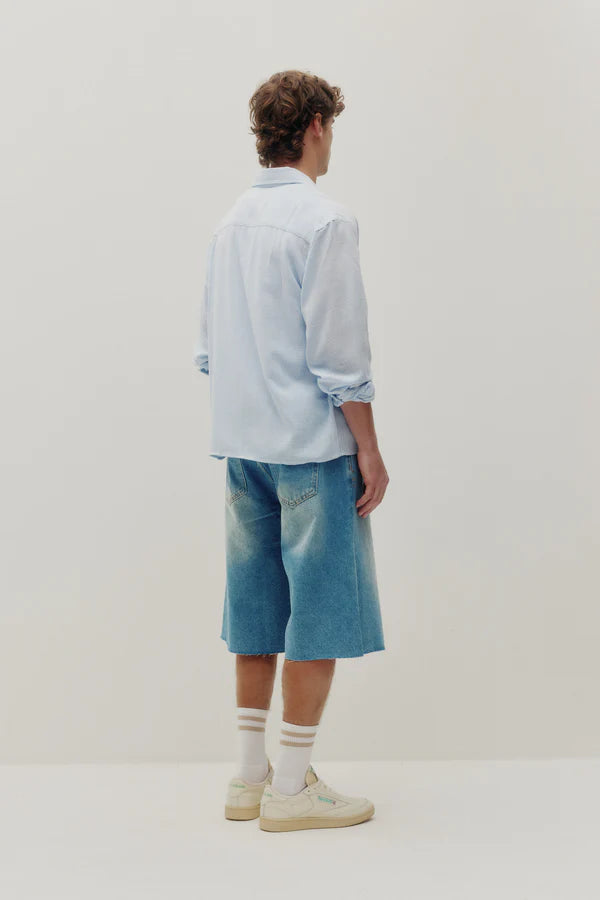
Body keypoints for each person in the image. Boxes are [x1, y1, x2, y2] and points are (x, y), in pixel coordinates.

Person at [193, 69, 389, 832]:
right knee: (318, 615)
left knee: (255, 612)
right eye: (330, 126)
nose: (330, 140)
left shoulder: (229, 224)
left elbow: (209, 350)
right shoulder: (324, 221)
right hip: (310, 449)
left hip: (243, 451)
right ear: (314, 125)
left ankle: (249, 778)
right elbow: (341, 357)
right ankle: (292, 787)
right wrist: (368, 449)